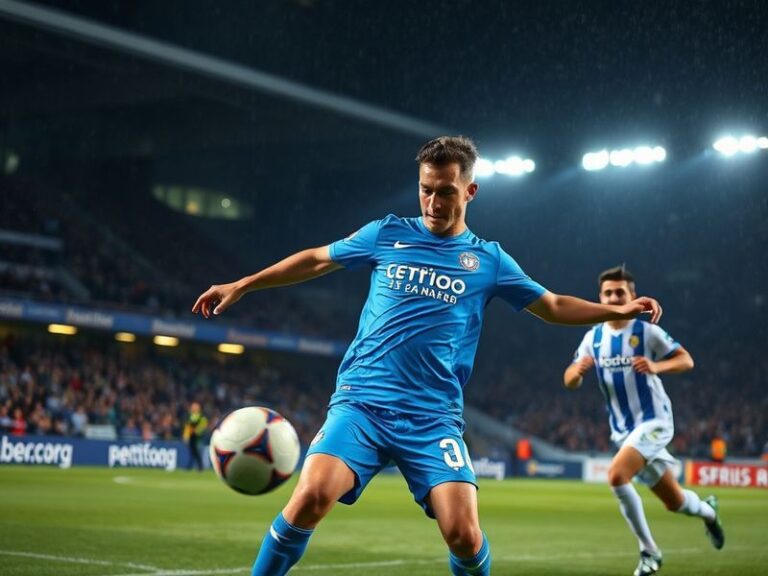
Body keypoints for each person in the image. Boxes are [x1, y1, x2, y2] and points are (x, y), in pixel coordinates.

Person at [193, 136, 663, 576]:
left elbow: (553, 305)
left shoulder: (489, 260)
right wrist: (242, 284)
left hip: (433, 417)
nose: (434, 203)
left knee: (463, 534)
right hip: (362, 403)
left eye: (446, 192)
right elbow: (317, 259)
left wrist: (615, 310)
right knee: (310, 496)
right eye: (426, 190)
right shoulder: (386, 234)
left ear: (470, 190)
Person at [563, 266, 725, 576]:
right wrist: (576, 373)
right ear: (600, 297)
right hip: (623, 432)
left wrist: (655, 365)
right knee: (675, 502)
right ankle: (709, 512)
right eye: (608, 293)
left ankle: (650, 552)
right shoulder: (592, 338)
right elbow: (569, 379)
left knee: (615, 476)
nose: (614, 296)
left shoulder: (645, 331)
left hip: (655, 422)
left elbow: (685, 359)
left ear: (632, 296)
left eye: (620, 292)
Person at [183, 402, 208, 471]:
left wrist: (196, 431)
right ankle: (197, 467)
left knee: (196, 451)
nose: (193, 408)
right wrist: (186, 436)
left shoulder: (201, 417)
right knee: (193, 452)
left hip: (198, 437)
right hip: (191, 437)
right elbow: (187, 427)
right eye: (193, 406)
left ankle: (194, 466)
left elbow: (203, 425)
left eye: (195, 407)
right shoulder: (190, 416)